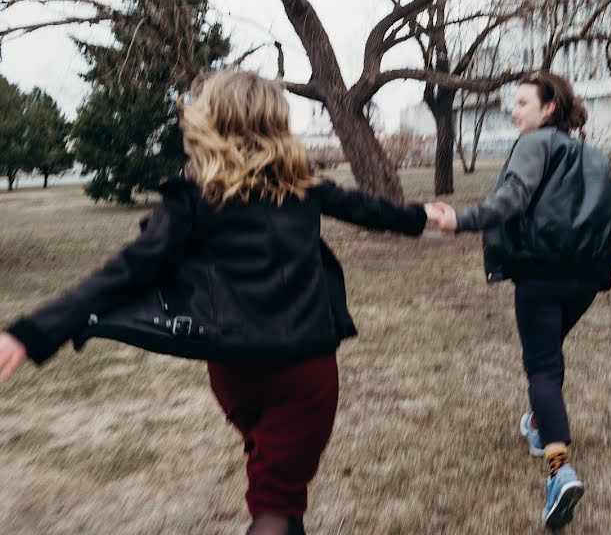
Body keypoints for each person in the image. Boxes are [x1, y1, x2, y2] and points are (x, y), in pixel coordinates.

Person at [0, 70, 443, 535]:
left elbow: (124, 272)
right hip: (303, 373)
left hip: (234, 374)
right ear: (276, 123)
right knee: (277, 505)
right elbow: (370, 209)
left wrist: (30, 333)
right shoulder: (301, 186)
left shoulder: (194, 199)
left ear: (210, 121)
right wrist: (424, 216)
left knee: (273, 487)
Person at [432, 71, 611, 530]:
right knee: (548, 355)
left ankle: (560, 472)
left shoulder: (532, 144)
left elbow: (512, 198)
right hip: (584, 281)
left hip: (540, 275)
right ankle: (540, 425)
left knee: (542, 367)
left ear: (548, 110)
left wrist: (459, 221)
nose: (514, 110)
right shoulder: (595, 156)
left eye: (523, 103)